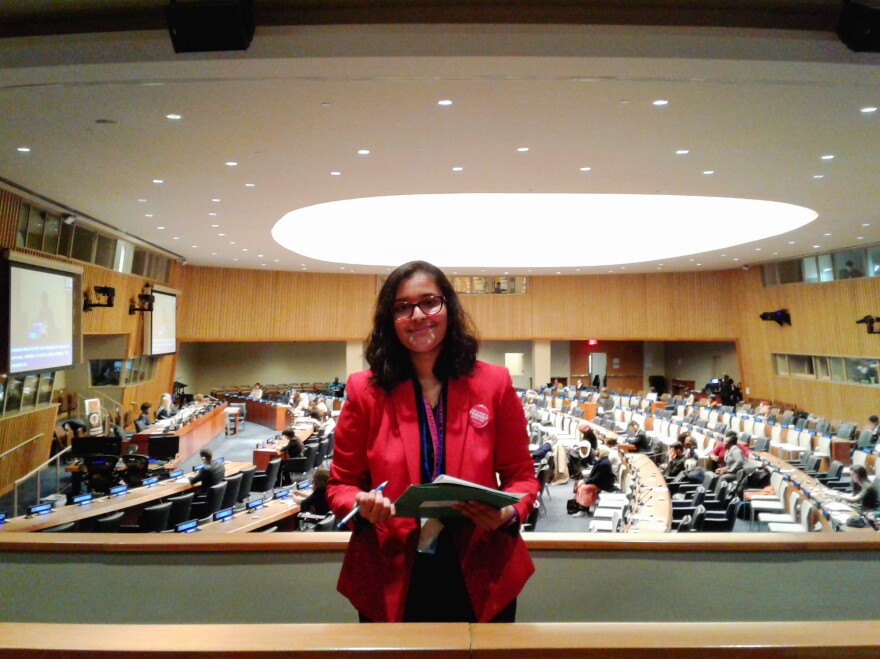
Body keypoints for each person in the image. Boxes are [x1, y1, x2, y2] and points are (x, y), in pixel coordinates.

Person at [326, 260, 538, 623]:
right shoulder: (364, 391)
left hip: (480, 568)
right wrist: (360, 504)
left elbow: (522, 476)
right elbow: (340, 484)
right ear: (389, 319)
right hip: (392, 571)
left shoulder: (494, 384)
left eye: (429, 302)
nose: (418, 315)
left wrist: (507, 513)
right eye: (403, 307)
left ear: (448, 307)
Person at [572, 445, 616, 516]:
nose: (596, 451)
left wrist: (586, 481)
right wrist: (585, 480)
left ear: (602, 452)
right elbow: (595, 476)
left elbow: (597, 478)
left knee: (584, 488)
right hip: (599, 482)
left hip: (603, 484)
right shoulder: (602, 460)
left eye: (598, 450)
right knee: (580, 482)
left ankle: (584, 511)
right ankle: (581, 506)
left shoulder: (604, 463)